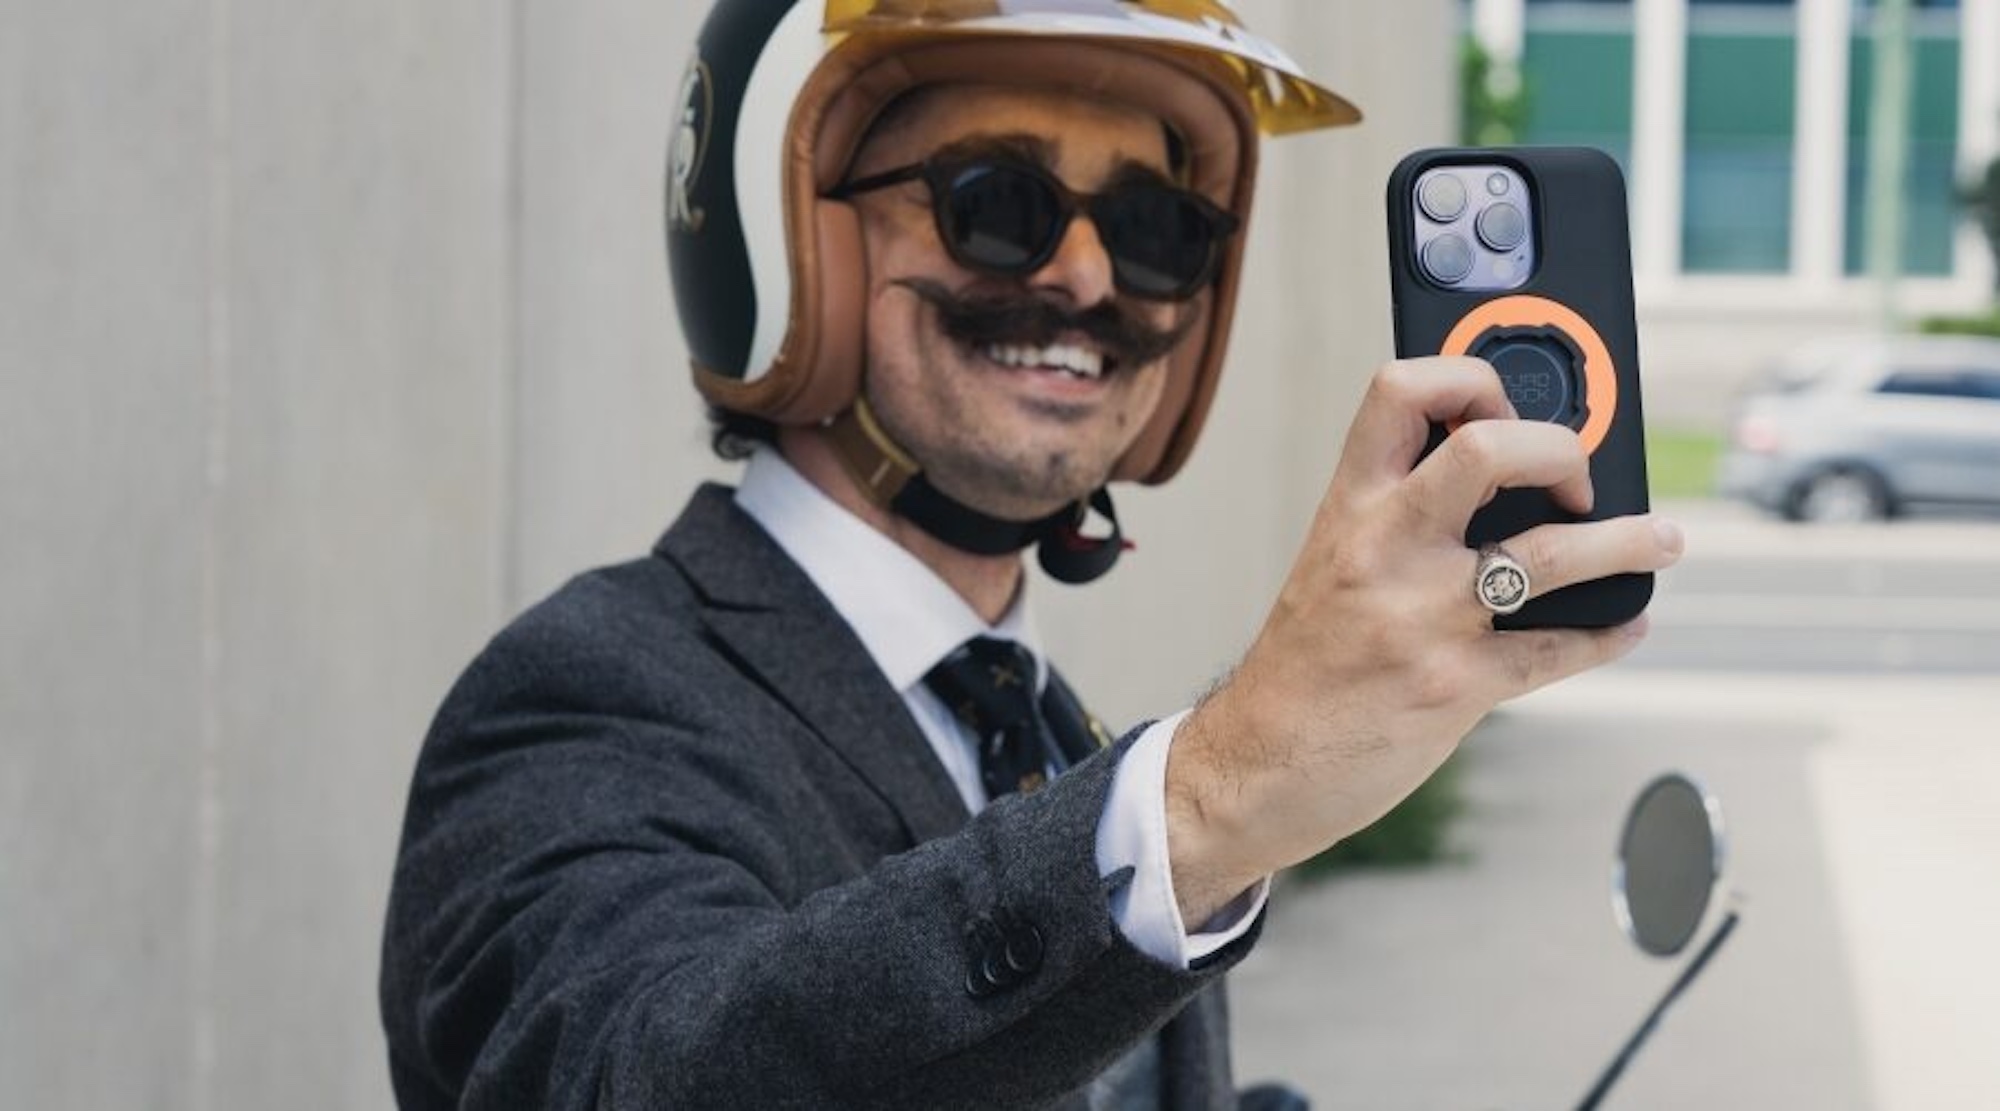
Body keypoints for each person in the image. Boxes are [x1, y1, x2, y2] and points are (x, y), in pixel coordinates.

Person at [379, 3, 1686, 1108]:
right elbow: (646, 1066)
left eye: (1156, 226)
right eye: (994, 203)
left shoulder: (1049, 735)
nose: (1086, 275)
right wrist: (1213, 796)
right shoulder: (586, 695)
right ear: (797, 248)